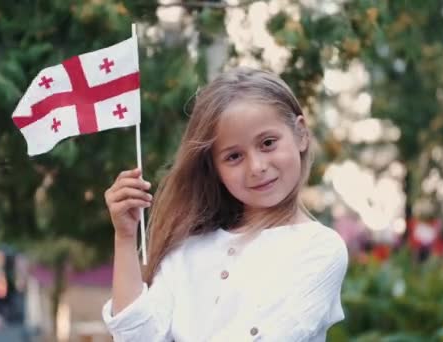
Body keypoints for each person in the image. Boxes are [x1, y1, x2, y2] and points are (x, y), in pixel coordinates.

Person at [101, 67, 348, 341]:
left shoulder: (319, 248)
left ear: (301, 134)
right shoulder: (186, 248)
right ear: (214, 168)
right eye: (234, 157)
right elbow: (138, 338)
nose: (256, 167)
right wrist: (124, 237)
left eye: (267, 143)